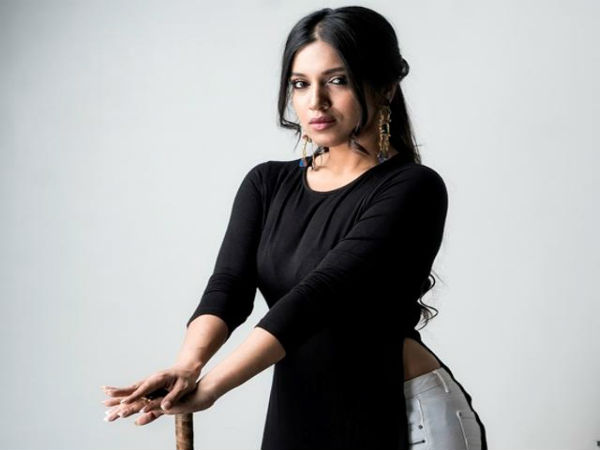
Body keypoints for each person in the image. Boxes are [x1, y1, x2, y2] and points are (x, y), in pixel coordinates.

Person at [102, 6, 488, 450]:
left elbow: (318, 297)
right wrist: (187, 366)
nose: (315, 101)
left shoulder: (412, 188)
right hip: (300, 412)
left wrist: (213, 388)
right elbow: (228, 287)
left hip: (400, 417)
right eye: (300, 83)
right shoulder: (267, 184)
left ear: (385, 86)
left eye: (337, 80)